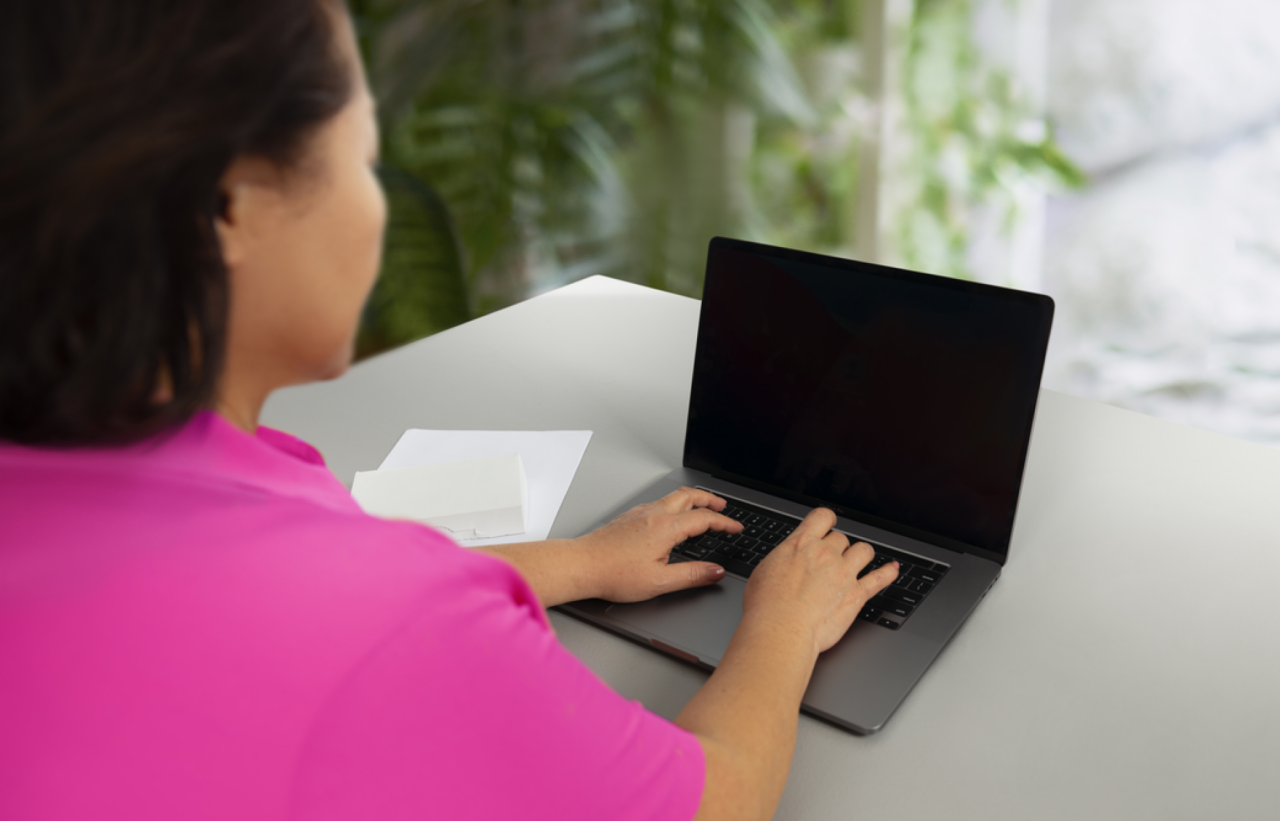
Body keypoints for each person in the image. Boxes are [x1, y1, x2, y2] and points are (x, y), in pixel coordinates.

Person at [0, 1, 899, 819]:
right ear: (228, 206)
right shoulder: (386, 627)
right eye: (360, 157)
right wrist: (784, 625)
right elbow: (719, 798)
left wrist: (580, 560)